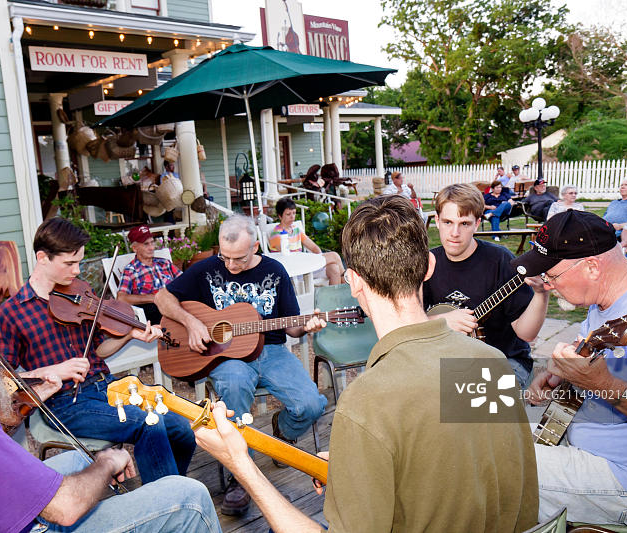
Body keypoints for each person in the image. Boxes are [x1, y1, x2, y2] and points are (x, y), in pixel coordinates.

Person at [194, 196, 539, 533]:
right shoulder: (490, 363)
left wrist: (241, 465)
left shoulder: (365, 403)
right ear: (429, 267)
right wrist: (363, 466)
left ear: (353, 281)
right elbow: (495, 482)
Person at [0, 244, 219, 532]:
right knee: (189, 496)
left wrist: (34, 391)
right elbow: (63, 508)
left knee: (80, 458)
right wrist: (109, 461)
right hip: (30, 519)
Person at [0, 218, 196, 485]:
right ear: (42, 257)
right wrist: (52, 371)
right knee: (149, 422)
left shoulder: (79, 296)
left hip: (108, 387)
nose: (77, 271)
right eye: (69, 263)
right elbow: (1, 380)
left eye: (79, 262)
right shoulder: (12, 312)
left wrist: (128, 334)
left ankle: (172, 489)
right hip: (64, 402)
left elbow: (100, 349)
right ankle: (168, 503)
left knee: (183, 430)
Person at [155, 214, 327, 516]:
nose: (231, 266)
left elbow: (292, 327)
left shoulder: (274, 271)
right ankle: (240, 474)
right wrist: (192, 322)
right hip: (227, 356)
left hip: (272, 351)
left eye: (239, 259)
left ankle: (283, 433)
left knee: (311, 404)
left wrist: (307, 327)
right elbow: (162, 297)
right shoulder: (207, 269)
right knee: (233, 387)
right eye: (225, 257)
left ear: (256, 246)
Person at [516, 210, 627, 528]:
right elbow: (593, 363)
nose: (548, 286)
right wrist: (561, 374)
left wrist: (600, 382)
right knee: (477, 439)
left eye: (552, 276)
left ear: (593, 266)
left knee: (492, 471)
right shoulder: (603, 302)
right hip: (578, 442)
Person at [423, 183, 550, 389]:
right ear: (436, 221)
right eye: (448, 222)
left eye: (464, 223)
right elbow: (408, 323)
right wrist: (441, 320)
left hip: (503, 361)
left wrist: (541, 294)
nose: (454, 232)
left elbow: (527, 334)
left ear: (477, 223)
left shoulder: (500, 261)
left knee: (472, 406)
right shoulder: (428, 263)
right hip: (447, 358)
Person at [267, 197, 343, 285]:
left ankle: (336, 297)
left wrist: (318, 261)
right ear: (280, 216)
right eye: (288, 214)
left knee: (334, 269)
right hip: (294, 270)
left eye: (294, 213)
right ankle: (348, 285)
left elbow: (314, 247)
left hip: (305, 265)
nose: (292, 217)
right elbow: (288, 256)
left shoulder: (296, 229)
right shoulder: (276, 234)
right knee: (334, 255)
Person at [117, 225, 181, 324]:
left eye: (152, 242)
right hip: (155, 311)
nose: (151, 248)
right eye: (146, 244)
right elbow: (121, 298)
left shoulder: (165, 263)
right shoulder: (131, 270)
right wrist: (153, 298)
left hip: (176, 302)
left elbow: (184, 280)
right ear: (135, 248)